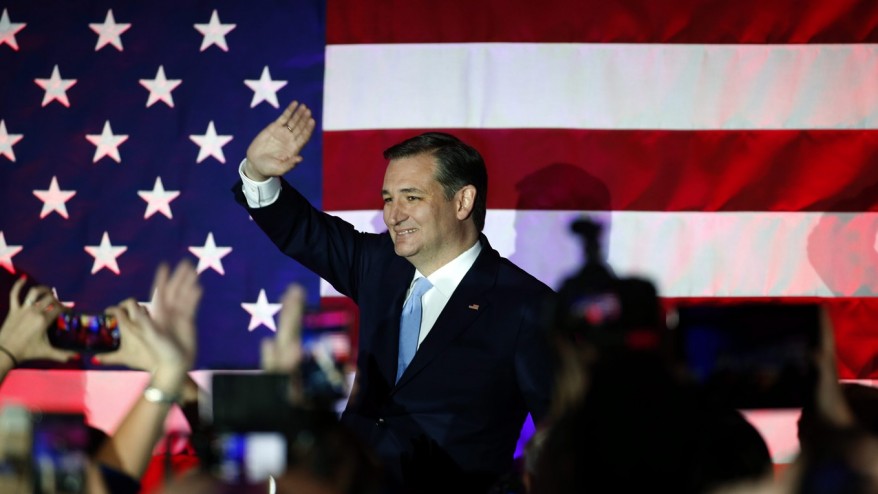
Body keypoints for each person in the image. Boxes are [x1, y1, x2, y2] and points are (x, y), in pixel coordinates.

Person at [233, 101, 555, 492]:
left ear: (463, 201)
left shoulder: (525, 306)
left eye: (411, 197)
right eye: (388, 198)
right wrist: (259, 173)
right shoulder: (379, 265)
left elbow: (562, 439)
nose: (393, 215)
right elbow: (303, 231)